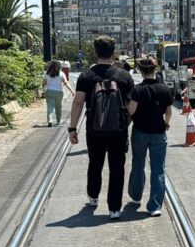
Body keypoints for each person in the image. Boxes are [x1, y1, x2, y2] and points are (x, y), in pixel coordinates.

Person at [69, 36, 135, 220]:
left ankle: (93, 197)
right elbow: (131, 107)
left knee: (95, 163)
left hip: (94, 130)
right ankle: (114, 209)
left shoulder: (86, 76)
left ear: (95, 52)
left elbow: (77, 103)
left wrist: (72, 129)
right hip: (118, 130)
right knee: (117, 167)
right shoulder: (124, 76)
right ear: (113, 53)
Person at [127, 56, 172, 217]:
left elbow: (131, 111)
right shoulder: (164, 89)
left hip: (140, 131)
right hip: (159, 133)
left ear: (140, 70)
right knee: (158, 169)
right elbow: (168, 110)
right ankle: (155, 206)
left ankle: (136, 196)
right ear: (155, 69)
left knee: (138, 164)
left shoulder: (137, 90)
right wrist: (166, 123)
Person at [42, 61, 74, 127]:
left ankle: (50, 121)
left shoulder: (47, 74)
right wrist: (72, 91)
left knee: (50, 107)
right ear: (59, 67)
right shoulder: (61, 73)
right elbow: (66, 83)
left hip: (49, 91)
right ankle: (58, 121)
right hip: (59, 92)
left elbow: (43, 84)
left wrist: (44, 91)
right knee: (58, 107)